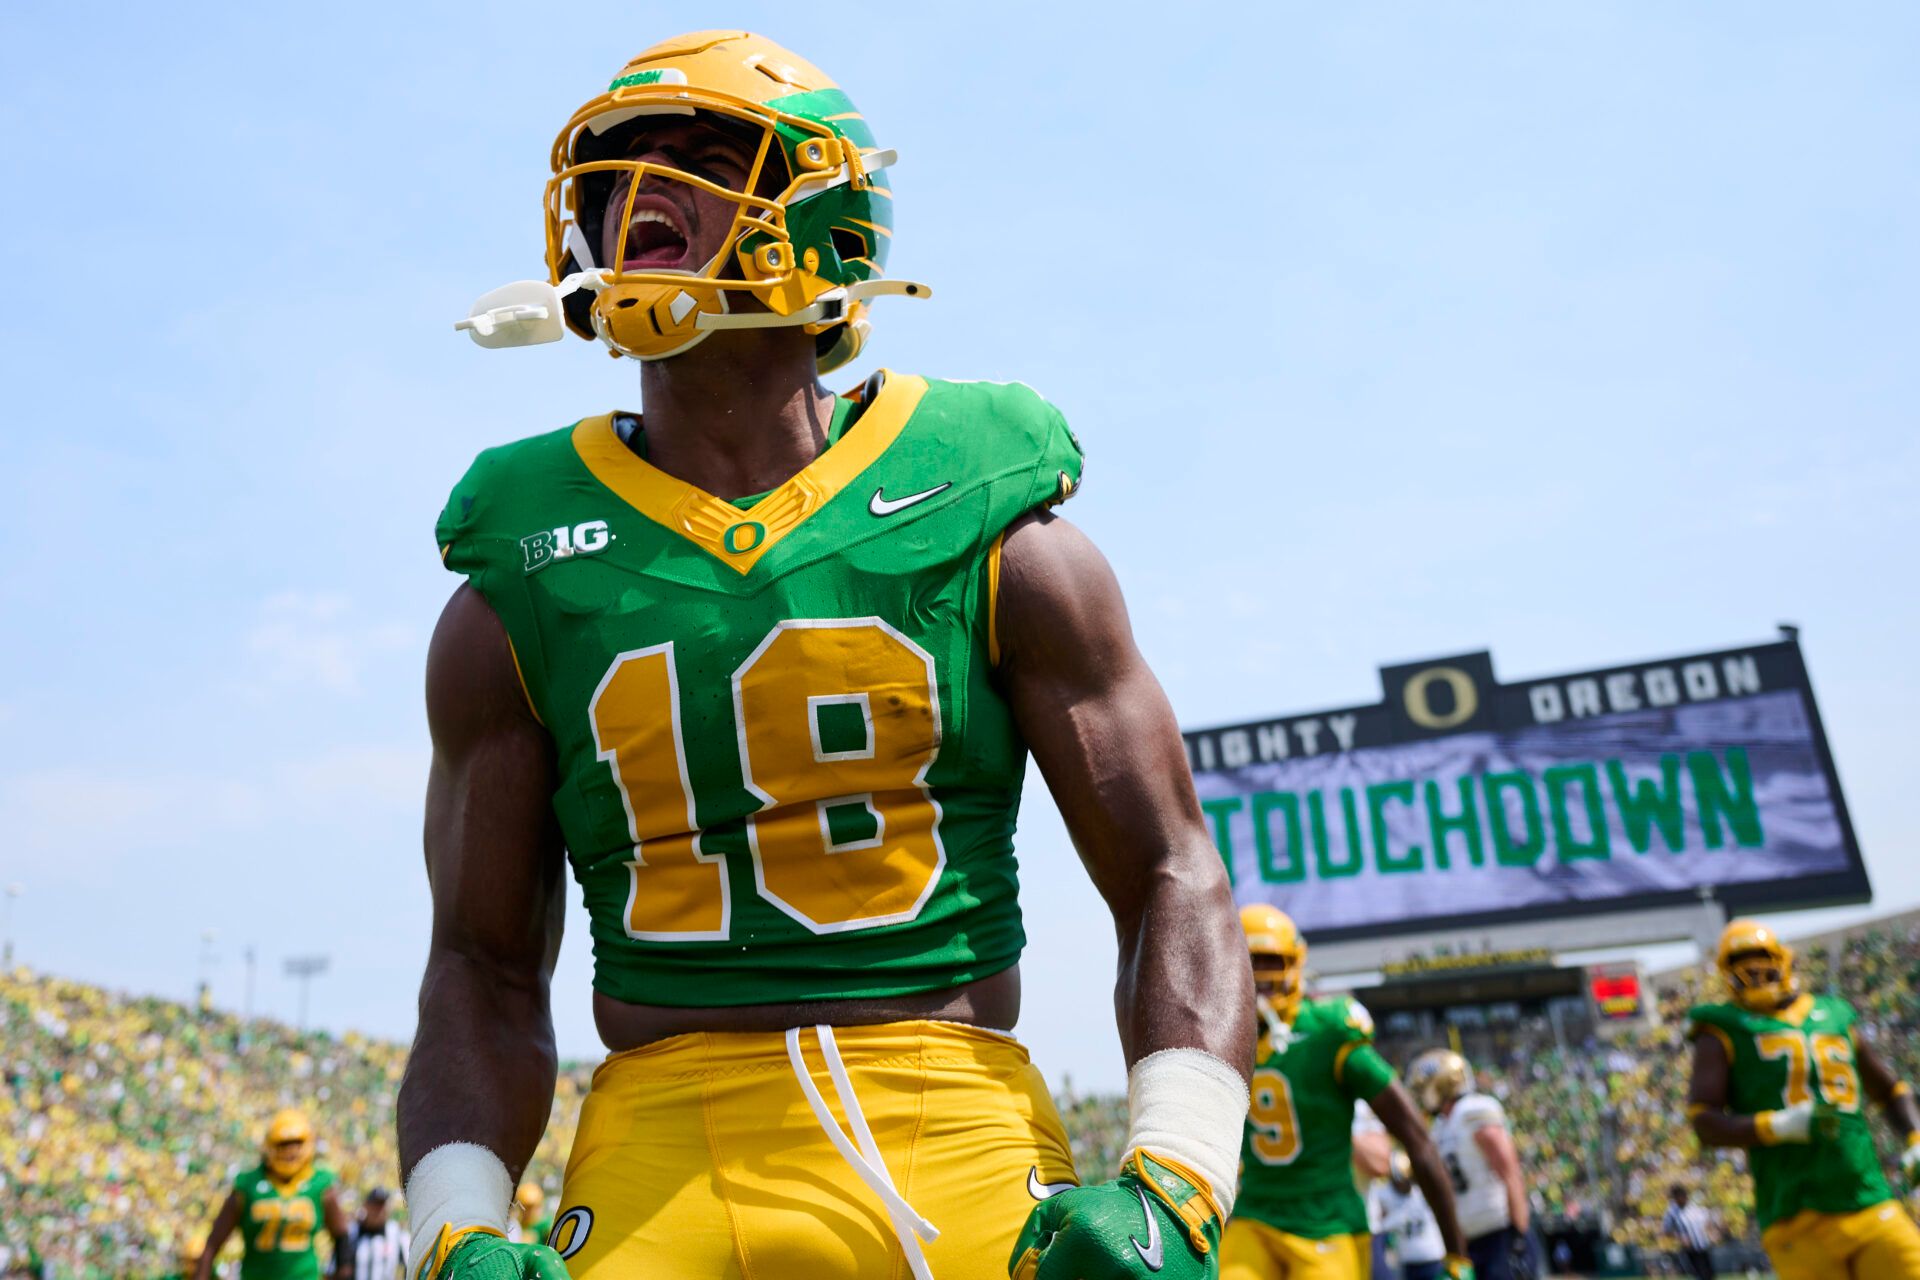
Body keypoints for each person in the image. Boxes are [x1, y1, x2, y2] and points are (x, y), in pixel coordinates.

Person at [397, 28, 1254, 1280]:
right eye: (616, 169)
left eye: (696, 154)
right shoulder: (521, 568)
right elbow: (478, 957)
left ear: (830, 220)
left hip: (945, 1111)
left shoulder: (983, 499)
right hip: (659, 1139)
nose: (636, 193)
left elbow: (1173, 871)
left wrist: (1179, 1173)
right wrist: (454, 1224)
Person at [1223, 907, 1474, 1280]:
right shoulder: (1223, 1040)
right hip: (1254, 1216)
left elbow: (1417, 1140)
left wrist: (1457, 1255)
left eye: (1270, 959)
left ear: (1294, 963)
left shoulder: (1331, 1033)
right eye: (1249, 960)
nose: (1260, 973)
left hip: (1327, 1223)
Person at [1687, 919, 1920, 1280]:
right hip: (1795, 1214)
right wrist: (1778, 1126)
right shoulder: (1720, 1028)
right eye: (1741, 963)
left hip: (1867, 1199)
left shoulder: (1835, 1015)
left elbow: (1889, 1090)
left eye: (1760, 957)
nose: (1753, 971)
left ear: (1783, 959)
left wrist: (1915, 1138)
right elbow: (1704, 1120)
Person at [1405, 1051, 1530, 1280]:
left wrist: (1518, 1234)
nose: (1423, 1093)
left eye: (1426, 1086)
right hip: (1471, 1238)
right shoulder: (1441, 1126)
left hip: (1499, 1231)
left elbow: (1509, 1171)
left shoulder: (1474, 1111)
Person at [193, 1110, 352, 1280]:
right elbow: (213, 1243)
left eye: (296, 1143)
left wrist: (343, 1272)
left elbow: (342, 1237)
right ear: (269, 1146)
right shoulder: (247, 1186)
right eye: (283, 1144)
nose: (290, 1150)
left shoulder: (321, 1184)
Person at [1376, 1153, 1448, 1280]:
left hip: (1434, 1258)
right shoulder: (1384, 1195)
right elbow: (1379, 1225)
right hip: (1409, 1263)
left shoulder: (1422, 1192)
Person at [348, 1190, 408, 1280]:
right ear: (365, 1206)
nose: (379, 1210)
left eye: (382, 1205)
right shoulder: (353, 1232)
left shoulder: (395, 1233)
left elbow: (409, 1264)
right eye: (375, 1205)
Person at [1660, 1186, 1714, 1280]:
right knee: (1699, 1275)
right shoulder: (1671, 1212)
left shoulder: (1693, 1207)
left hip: (1703, 1245)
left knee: (1709, 1274)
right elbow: (1666, 1230)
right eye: (1679, 1197)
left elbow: (1705, 1221)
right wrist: (1680, 1237)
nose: (1683, 1198)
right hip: (1689, 1249)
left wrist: (1711, 1233)